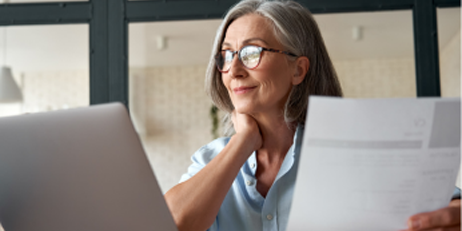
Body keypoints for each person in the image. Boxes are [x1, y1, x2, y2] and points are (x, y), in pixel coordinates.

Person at [164, 0, 461, 231]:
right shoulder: (209, 160)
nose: (234, 70)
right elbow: (170, 225)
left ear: (298, 69)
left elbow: (445, 202)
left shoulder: (350, 150)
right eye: (226, 55)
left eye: (252, 52)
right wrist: (243, 141)